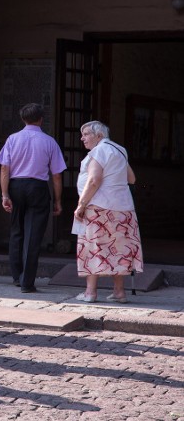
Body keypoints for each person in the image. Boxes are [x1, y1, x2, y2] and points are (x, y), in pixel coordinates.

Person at [0, 103, 67, 293]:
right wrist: (58, 200)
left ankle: (16, 276)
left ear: (22, 119)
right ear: (41, 119)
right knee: (33, 234)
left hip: (16, 185)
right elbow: (57, 175)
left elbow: (4, 168)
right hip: (38, 187)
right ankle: (27, 282)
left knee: (16, 231)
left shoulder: (12, 139)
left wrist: (4, 194)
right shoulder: (49, 142)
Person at [73, 121, 143, 303]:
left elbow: (94, 180)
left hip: (99, 208)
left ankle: (90, 293)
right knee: (118, 249)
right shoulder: (119, 150)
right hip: (122, 207)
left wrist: (81, 204)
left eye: (86, 133)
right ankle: (119, 292)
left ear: (99, 135)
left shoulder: (99, 150)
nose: (82, 138)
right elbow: (132, 178)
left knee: (93, 247)